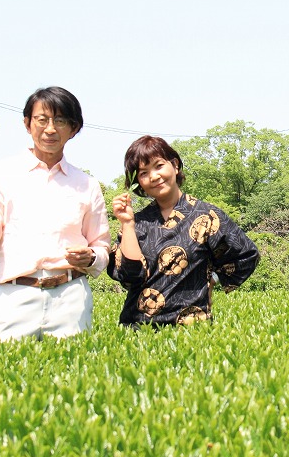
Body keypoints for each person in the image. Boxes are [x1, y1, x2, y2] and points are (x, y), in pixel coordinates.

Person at [0, 86, 111, 340]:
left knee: (71, 377)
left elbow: (102, 247)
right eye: (42, 119)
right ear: (27, 124)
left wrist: (91, 257)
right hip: (13, 296)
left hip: (70, 297)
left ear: (73, 129)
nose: (50, 129)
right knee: (1, 375)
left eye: (61, 120)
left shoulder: (87, 184)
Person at [110, 135, 259, 327]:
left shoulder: (206, 216)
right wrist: (127, 224)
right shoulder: (137, 222)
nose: (154, 176)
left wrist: (213, 280)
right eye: (143, 173)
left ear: (175, 165)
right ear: (138, 182)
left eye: (158, 166)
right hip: (138, 329)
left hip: (192, 329)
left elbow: (246, 255)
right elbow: (130, 278)